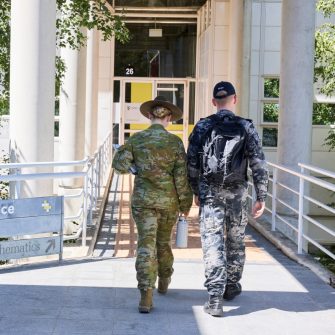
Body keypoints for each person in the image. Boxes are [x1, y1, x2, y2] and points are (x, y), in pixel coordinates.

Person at [187, 81, 268, 317]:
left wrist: (196, 191)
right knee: (235, 240)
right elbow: (258, 163)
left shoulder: (203, 127)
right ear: (234, 99)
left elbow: (192, 163)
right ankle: (231, 286)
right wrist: (261, 195)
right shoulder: (246, 127)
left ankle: (214, 298)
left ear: (214, 102)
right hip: (238, 193)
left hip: (210, 192)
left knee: (212, 242)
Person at [112, 96, 193, 313]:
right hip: (168, 203)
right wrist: (186, 203)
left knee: (145, 245)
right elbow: (181, 178)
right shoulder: (175, 143)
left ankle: (145, 295)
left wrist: (134, 168)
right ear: (168, 118)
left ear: (149, 116)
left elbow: (119, 164)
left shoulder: (136, 140)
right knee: (163, 243)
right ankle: (164, 280)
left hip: (143, 202)